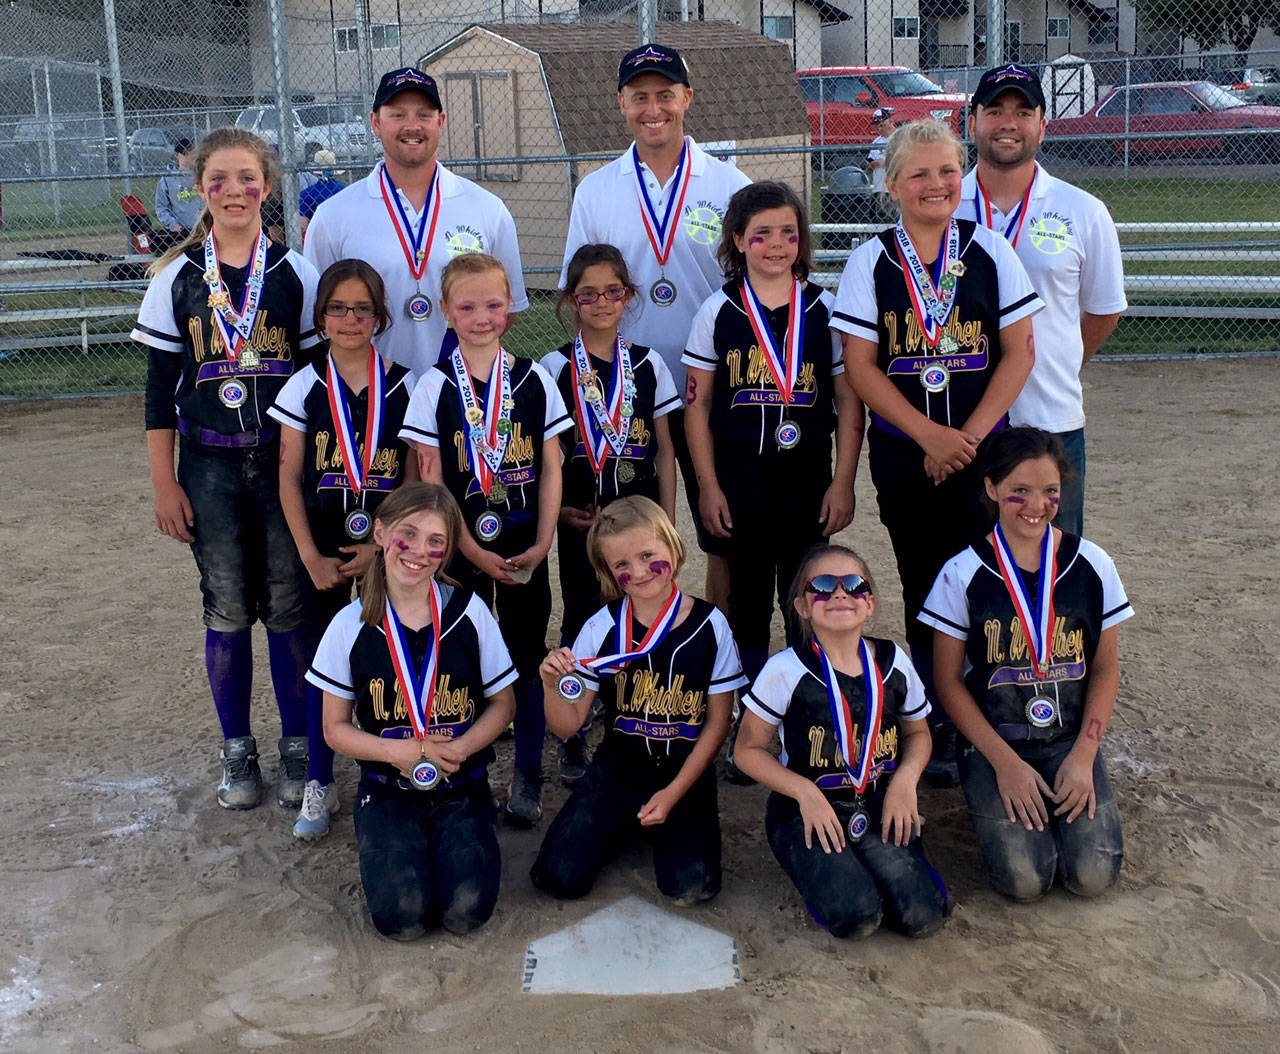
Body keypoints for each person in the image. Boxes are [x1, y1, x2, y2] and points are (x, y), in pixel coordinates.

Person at [830, 119, 1041, 732]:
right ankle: (938, 717)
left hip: (985, 453)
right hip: (906, 453)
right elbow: (862, 368)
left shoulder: (990, 250)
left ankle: (994, 700)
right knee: (925, 578)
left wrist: (965, 439)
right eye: (919, 173)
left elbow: (1019, 352)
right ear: (891, 185)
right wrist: (929, 436)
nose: (937, 184)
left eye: (948, 170)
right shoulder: (871, 261)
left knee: (988, 572)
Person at [133, 127, 322, 812]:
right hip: (208, 462)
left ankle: (297, 742)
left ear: (267, 188)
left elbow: (314, 378)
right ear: (201, 189)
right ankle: (237, 748)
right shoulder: (176, 277)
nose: (234, 191)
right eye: (219, 180)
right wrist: (165, 480)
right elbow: (159, 389)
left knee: (288, 606)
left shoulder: (293, 273)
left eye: (248, 179)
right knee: (227, 606)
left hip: (281, 465)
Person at [561, 43, 750, 610]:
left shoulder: (727, 184)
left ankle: (719, 649)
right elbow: (581, 290)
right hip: (625, 395)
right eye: (639, 96)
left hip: (711, 387)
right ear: (621, 103)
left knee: (721, 531)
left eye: (665, 95)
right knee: (620, 536)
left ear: (686, 98)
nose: (653, 109)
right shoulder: (597, 188)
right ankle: (619, 649)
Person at [919, 427, 1132, 900]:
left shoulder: (1093, 564)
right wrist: (1004, 764)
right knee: (1025, 881)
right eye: (1020, 492)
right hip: (998, 742)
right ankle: (996, 797)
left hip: (1069, 739)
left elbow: (1105, 668)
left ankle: (1066, 791)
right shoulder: (962, 572)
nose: (1036, 506)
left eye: (1050, 492)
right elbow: (948, 682)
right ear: (991, 488)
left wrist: (1083, 757)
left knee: (1093, 875)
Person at [400, 253, 571, 827]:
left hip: (524, 544)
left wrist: (545, 539)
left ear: (511, 308)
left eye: (494, 304)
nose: (481, 316)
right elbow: (431, 480)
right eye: (467, 306)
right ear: (446, 311)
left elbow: (551, 467)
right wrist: (469, 549)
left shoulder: (535, 379)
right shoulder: (433, 385)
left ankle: (527, 772)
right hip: (457, 551)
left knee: (525, 653)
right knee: (458, 655)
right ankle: (464, 769)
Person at [307, 483, 518, 938]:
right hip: (388, 785)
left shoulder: (469, 613)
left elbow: (504, 703)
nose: (420, 551)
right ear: (380, 533)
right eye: (409, 533)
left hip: (462, 780)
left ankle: (466, 831)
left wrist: (461, 748)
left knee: (466, 911)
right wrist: (396, 752)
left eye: (436, 541)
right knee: (403, 919)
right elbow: (333, 728)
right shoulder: (350, 624)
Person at [683, 180, 858, 688]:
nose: (777, 244)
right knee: (748, 597)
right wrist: (709, 485)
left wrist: (842, 481)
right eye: (762, 234)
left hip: (806, 476)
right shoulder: (718, 311)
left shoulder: (826, 310)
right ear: (737, 240)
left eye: (788, 232)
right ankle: (749, 704)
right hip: (741, 478)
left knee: (807, 593)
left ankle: (804, 699)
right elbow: (698, 407)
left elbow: (849, 401)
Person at [532, 497, 745, 904]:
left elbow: (719, 724)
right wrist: (551, 685)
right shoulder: (601, 626)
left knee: (692, 888)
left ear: (673, 547)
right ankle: (626, 822)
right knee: (558, 877)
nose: (639, 571)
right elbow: (567, 726)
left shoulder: (710, 624)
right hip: (618, 771)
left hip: (685, 775)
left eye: (648, 555)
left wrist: (674, 792)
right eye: (622, 566)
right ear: (609, 573)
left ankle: (659, 818)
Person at [269, 259, 419, 838]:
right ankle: (321, 779)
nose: (350, 318)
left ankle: (395, 770)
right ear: (321, 317)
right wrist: (308, 555)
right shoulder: (304, 382)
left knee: (394, 656)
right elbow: (288, 478)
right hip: (324, 549)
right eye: (338, 308)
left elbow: (411, 483)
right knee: (323, 666)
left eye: (362, 308)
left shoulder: (406, 384)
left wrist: (383, 551)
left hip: (388, 548)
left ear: (380, 316)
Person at [734, 545, 949, 939]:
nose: (839, 594)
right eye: (823, 586)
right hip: (808, 811)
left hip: (879, 801)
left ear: (870, 604)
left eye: (854, 585)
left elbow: (917, 732)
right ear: (802, 606)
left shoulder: (893, 661)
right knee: (857, 917)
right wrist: (803, 793)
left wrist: (906, 780)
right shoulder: (784, 670)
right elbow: (746, 750)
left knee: (924, 916)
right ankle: (819, 869)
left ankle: (878, 864)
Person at [962, 64, 1127, 535]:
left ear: (1043, 124)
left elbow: (1104, 308)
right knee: (965, 567)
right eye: (994, 111)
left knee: (1057, 562)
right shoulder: (944, 206)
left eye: (1023, 111)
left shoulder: (1082, 211)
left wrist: (1055, 360)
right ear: (972, 122)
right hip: (963, 421)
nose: (1008, 123)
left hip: (1050, 419)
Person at [542, 243, 680, 786]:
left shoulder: (648, 365)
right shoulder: (553, 367)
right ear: (571, 301)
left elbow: (665, 449)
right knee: (583, 614)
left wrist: (664, 523)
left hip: (639, 523)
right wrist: (554, 518)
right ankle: (574, 728)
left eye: (613, 292)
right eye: (589, 293)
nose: (602, 302)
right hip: (581, 522)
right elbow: (547, 455)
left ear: (629, 296)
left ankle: (641, 715)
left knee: (643, 611)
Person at [306, 67, 529, 375]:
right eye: (397, 115)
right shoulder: (333, 215)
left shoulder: (487, 209)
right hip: (374, 401)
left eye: (424, 115)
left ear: (441, 122)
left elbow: (509, 309)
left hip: (461, 400)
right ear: (375, 122)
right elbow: (318, 316)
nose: (412, 126)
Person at [154, 136, 203, 241]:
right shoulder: (168, 178)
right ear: (177, 155)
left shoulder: (202, 175)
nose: (190, 157)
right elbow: (161, 207)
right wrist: (173, 225)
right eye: (186, 153)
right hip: (181, 232)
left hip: (203, 229)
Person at [299, 150, 346, 235]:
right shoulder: (345, 191)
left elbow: (303, 224)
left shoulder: (306, 194)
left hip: (318, 237)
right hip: (341, 235)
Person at [866, 107, 897, 217]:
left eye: (881, 124)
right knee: (877, 220)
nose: (879, 128)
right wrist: (873, 164)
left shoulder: (900, 138)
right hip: (878, 190)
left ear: (891, 121)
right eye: (876, 125)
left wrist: (886, 162)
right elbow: (869, 163)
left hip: (895, 189)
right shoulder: (876, 142)